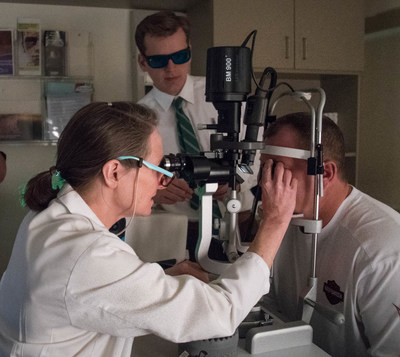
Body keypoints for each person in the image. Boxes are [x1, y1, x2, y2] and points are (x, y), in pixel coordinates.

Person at [0, 101, 297, 356]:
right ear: (114, 172)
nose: (164, 180)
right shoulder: (88, 255)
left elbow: (87, 295)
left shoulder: (47, 218)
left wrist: (162, 279)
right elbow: (220, 312)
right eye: (157, 168)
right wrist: (274, 222)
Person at [261, 112, 400, 356]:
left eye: (279, 170)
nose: (266, 183)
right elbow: (271, 306)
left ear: (325, 174)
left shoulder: (382, 251)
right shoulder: (284, 219)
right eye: (265, 168)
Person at [135, 11, 259, 261]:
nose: (171, 69)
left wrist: (234, 181)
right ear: (142, 62)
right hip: (178, 232)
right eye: (159, 61)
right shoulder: (136, 119)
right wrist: (153, 192)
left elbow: (257, 160)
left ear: (190, 51)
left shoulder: (227, 96)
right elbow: (129, 178)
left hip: (240, 223)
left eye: (180, 56)